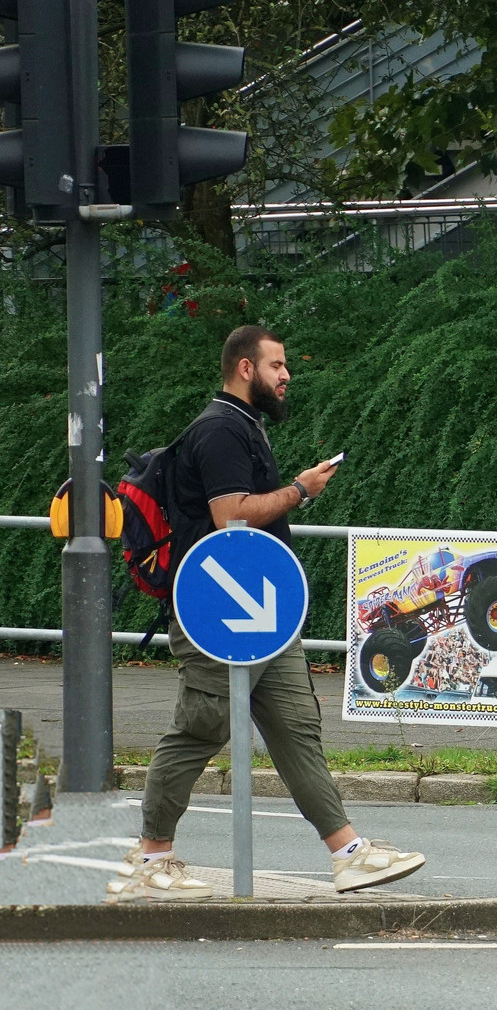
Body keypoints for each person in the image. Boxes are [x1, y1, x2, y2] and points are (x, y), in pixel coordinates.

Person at [118, 326, 427, 902]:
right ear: (244, 368)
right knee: (201, 725)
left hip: (265, 613)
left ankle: (348, 854)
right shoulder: (217, 431)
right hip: (216, 609)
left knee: (296, 726)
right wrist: (301, 490)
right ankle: (150, 857)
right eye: (277, 365)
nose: (287, 376)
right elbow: (231, 515)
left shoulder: (244, 428)